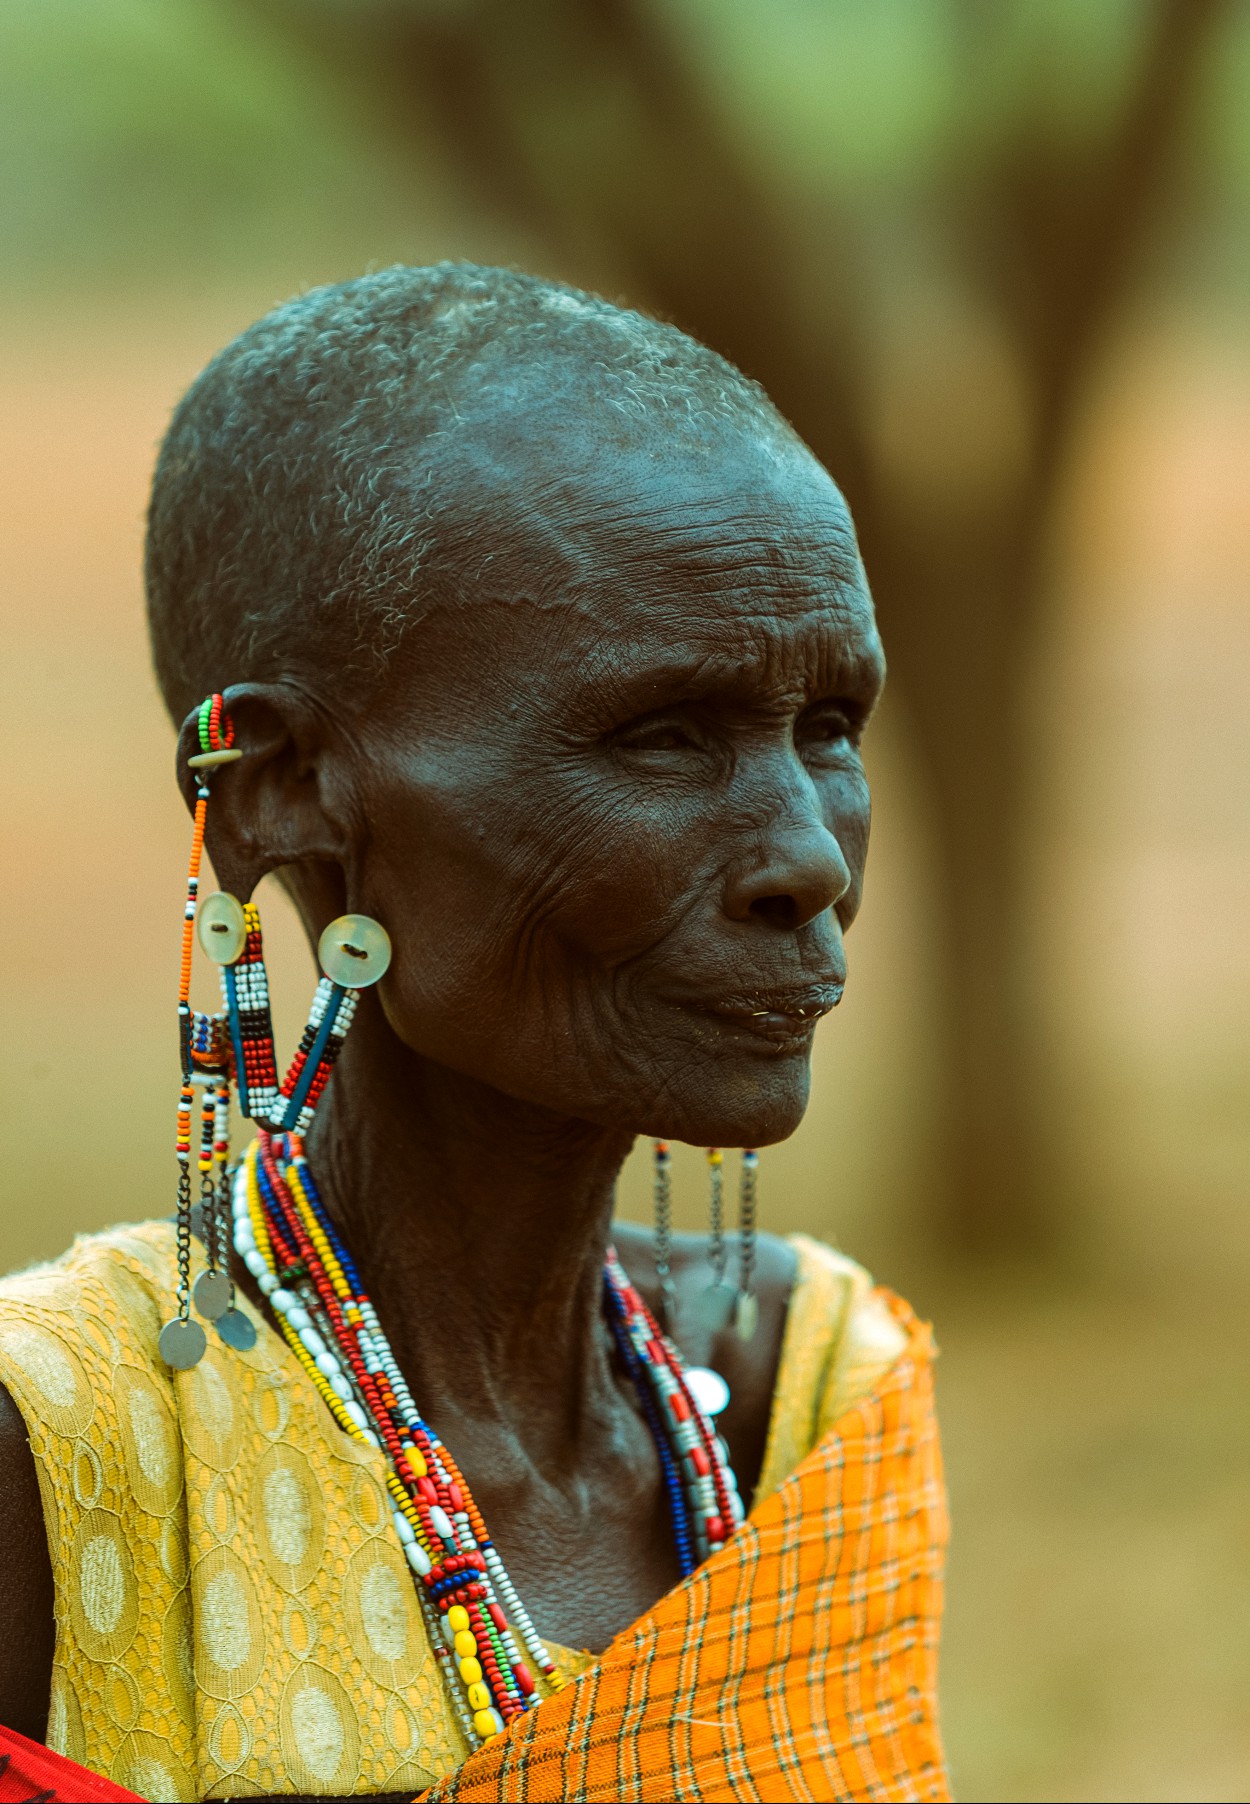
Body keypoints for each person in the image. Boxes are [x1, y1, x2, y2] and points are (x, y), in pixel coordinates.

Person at [0, 265, 949, 1802]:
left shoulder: (806, 1397)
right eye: (659, 734)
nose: (807, 855)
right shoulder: (62, 1454)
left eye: (827, 727)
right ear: (276, 788)